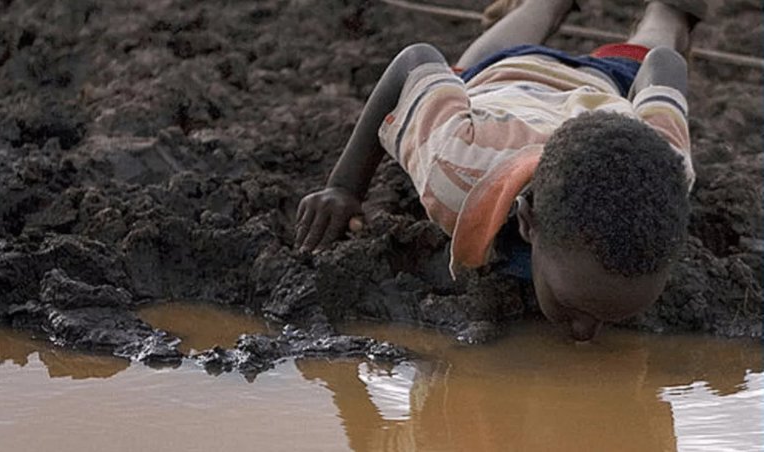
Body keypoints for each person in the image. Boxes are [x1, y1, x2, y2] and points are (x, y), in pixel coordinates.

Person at [294, 0, 706, 341]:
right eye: (575, 307)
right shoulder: (457, 168)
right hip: (503, 79)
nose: (585, 333)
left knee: (665, 27)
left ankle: (668, 12)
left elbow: (667, 63)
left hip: (602, 89)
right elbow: (414, 62)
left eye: (615, 316)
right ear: (527, 220)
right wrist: (345, 187)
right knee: (473, 69)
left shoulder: (668, 168)